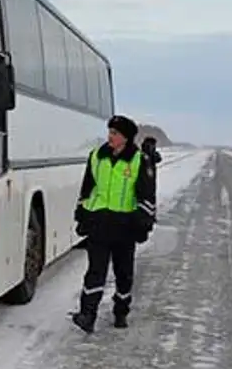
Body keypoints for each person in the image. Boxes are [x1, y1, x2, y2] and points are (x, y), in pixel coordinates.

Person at [70, 115, 157, 333]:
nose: (110, 136)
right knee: (95, 272)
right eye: (110, 132)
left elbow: (147, 196)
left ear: (126, 138)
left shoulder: (138, 160)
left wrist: (143, 224)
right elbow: (87, 189)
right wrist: (81, 215)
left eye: (115, 133)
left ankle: (121, 312)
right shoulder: (96, 157)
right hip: (99, 223)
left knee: (123, 273)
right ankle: (87, 315)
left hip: (125, 226)